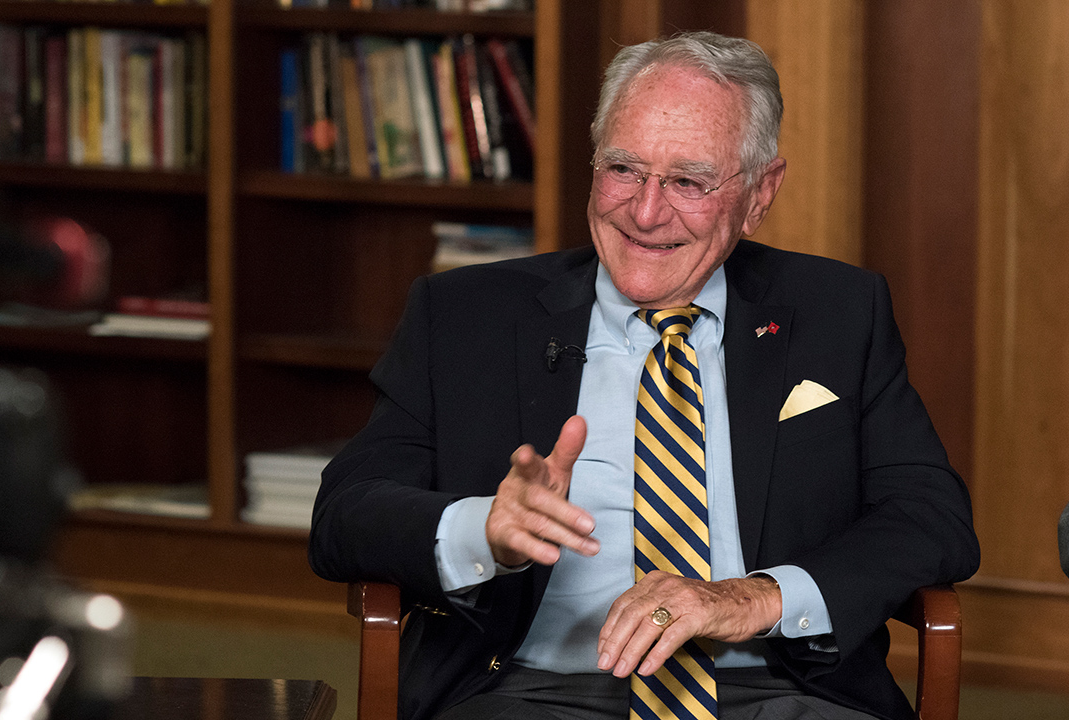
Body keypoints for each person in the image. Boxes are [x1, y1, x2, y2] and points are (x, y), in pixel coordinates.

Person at [309, 30, 980, 720]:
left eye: (688, 181)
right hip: (529, 693)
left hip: (780, 691)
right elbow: (342, 515)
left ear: (760, 192)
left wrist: (752, 598)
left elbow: (932, 519)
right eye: (623, 169)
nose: (646, 212)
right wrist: (485, 530)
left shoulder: (839, 312)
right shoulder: (463, 314)